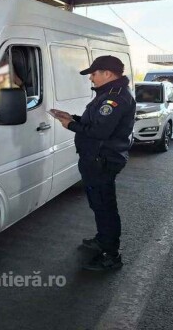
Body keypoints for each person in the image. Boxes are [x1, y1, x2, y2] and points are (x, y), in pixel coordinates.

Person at [50, 55, 135, 271]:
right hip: (96, 158)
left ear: (107, 73)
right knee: (99, 204)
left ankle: (111, 255)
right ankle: (103, 240)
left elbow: (100, 131)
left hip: (102, 160)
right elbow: (96, 123)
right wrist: (73, 118)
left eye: (94, 74)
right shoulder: (108, 94)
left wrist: (70, 125)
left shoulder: (115, 99)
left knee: (105, 207)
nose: (91, 78)